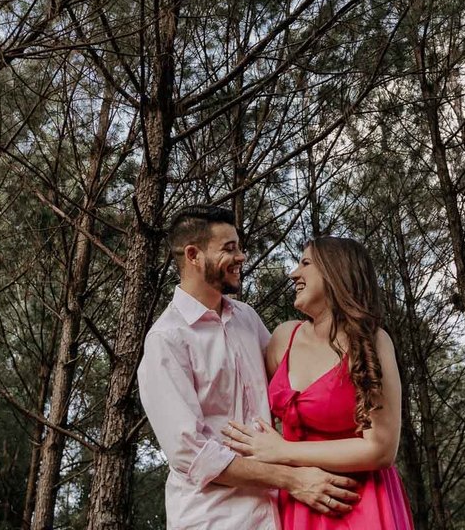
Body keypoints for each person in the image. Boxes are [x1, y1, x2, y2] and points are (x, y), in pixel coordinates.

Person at [137, 206, 361, 530]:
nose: (241, 256)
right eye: (229, 248)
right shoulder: (166, 340)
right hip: (213, 521)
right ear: (193, 255)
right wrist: (293, 479)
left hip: (280, 516)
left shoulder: (247, 319)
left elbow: (294, 391)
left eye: (239, 247)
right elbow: (192, 455)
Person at [222, 236, 415, 529]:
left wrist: (283, 451)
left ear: (336, 271)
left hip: (359, 502)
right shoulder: (283, 339)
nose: (293, 273)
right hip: (298, 502)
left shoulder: (372, 341)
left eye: (305, 263)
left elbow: (381, 449)